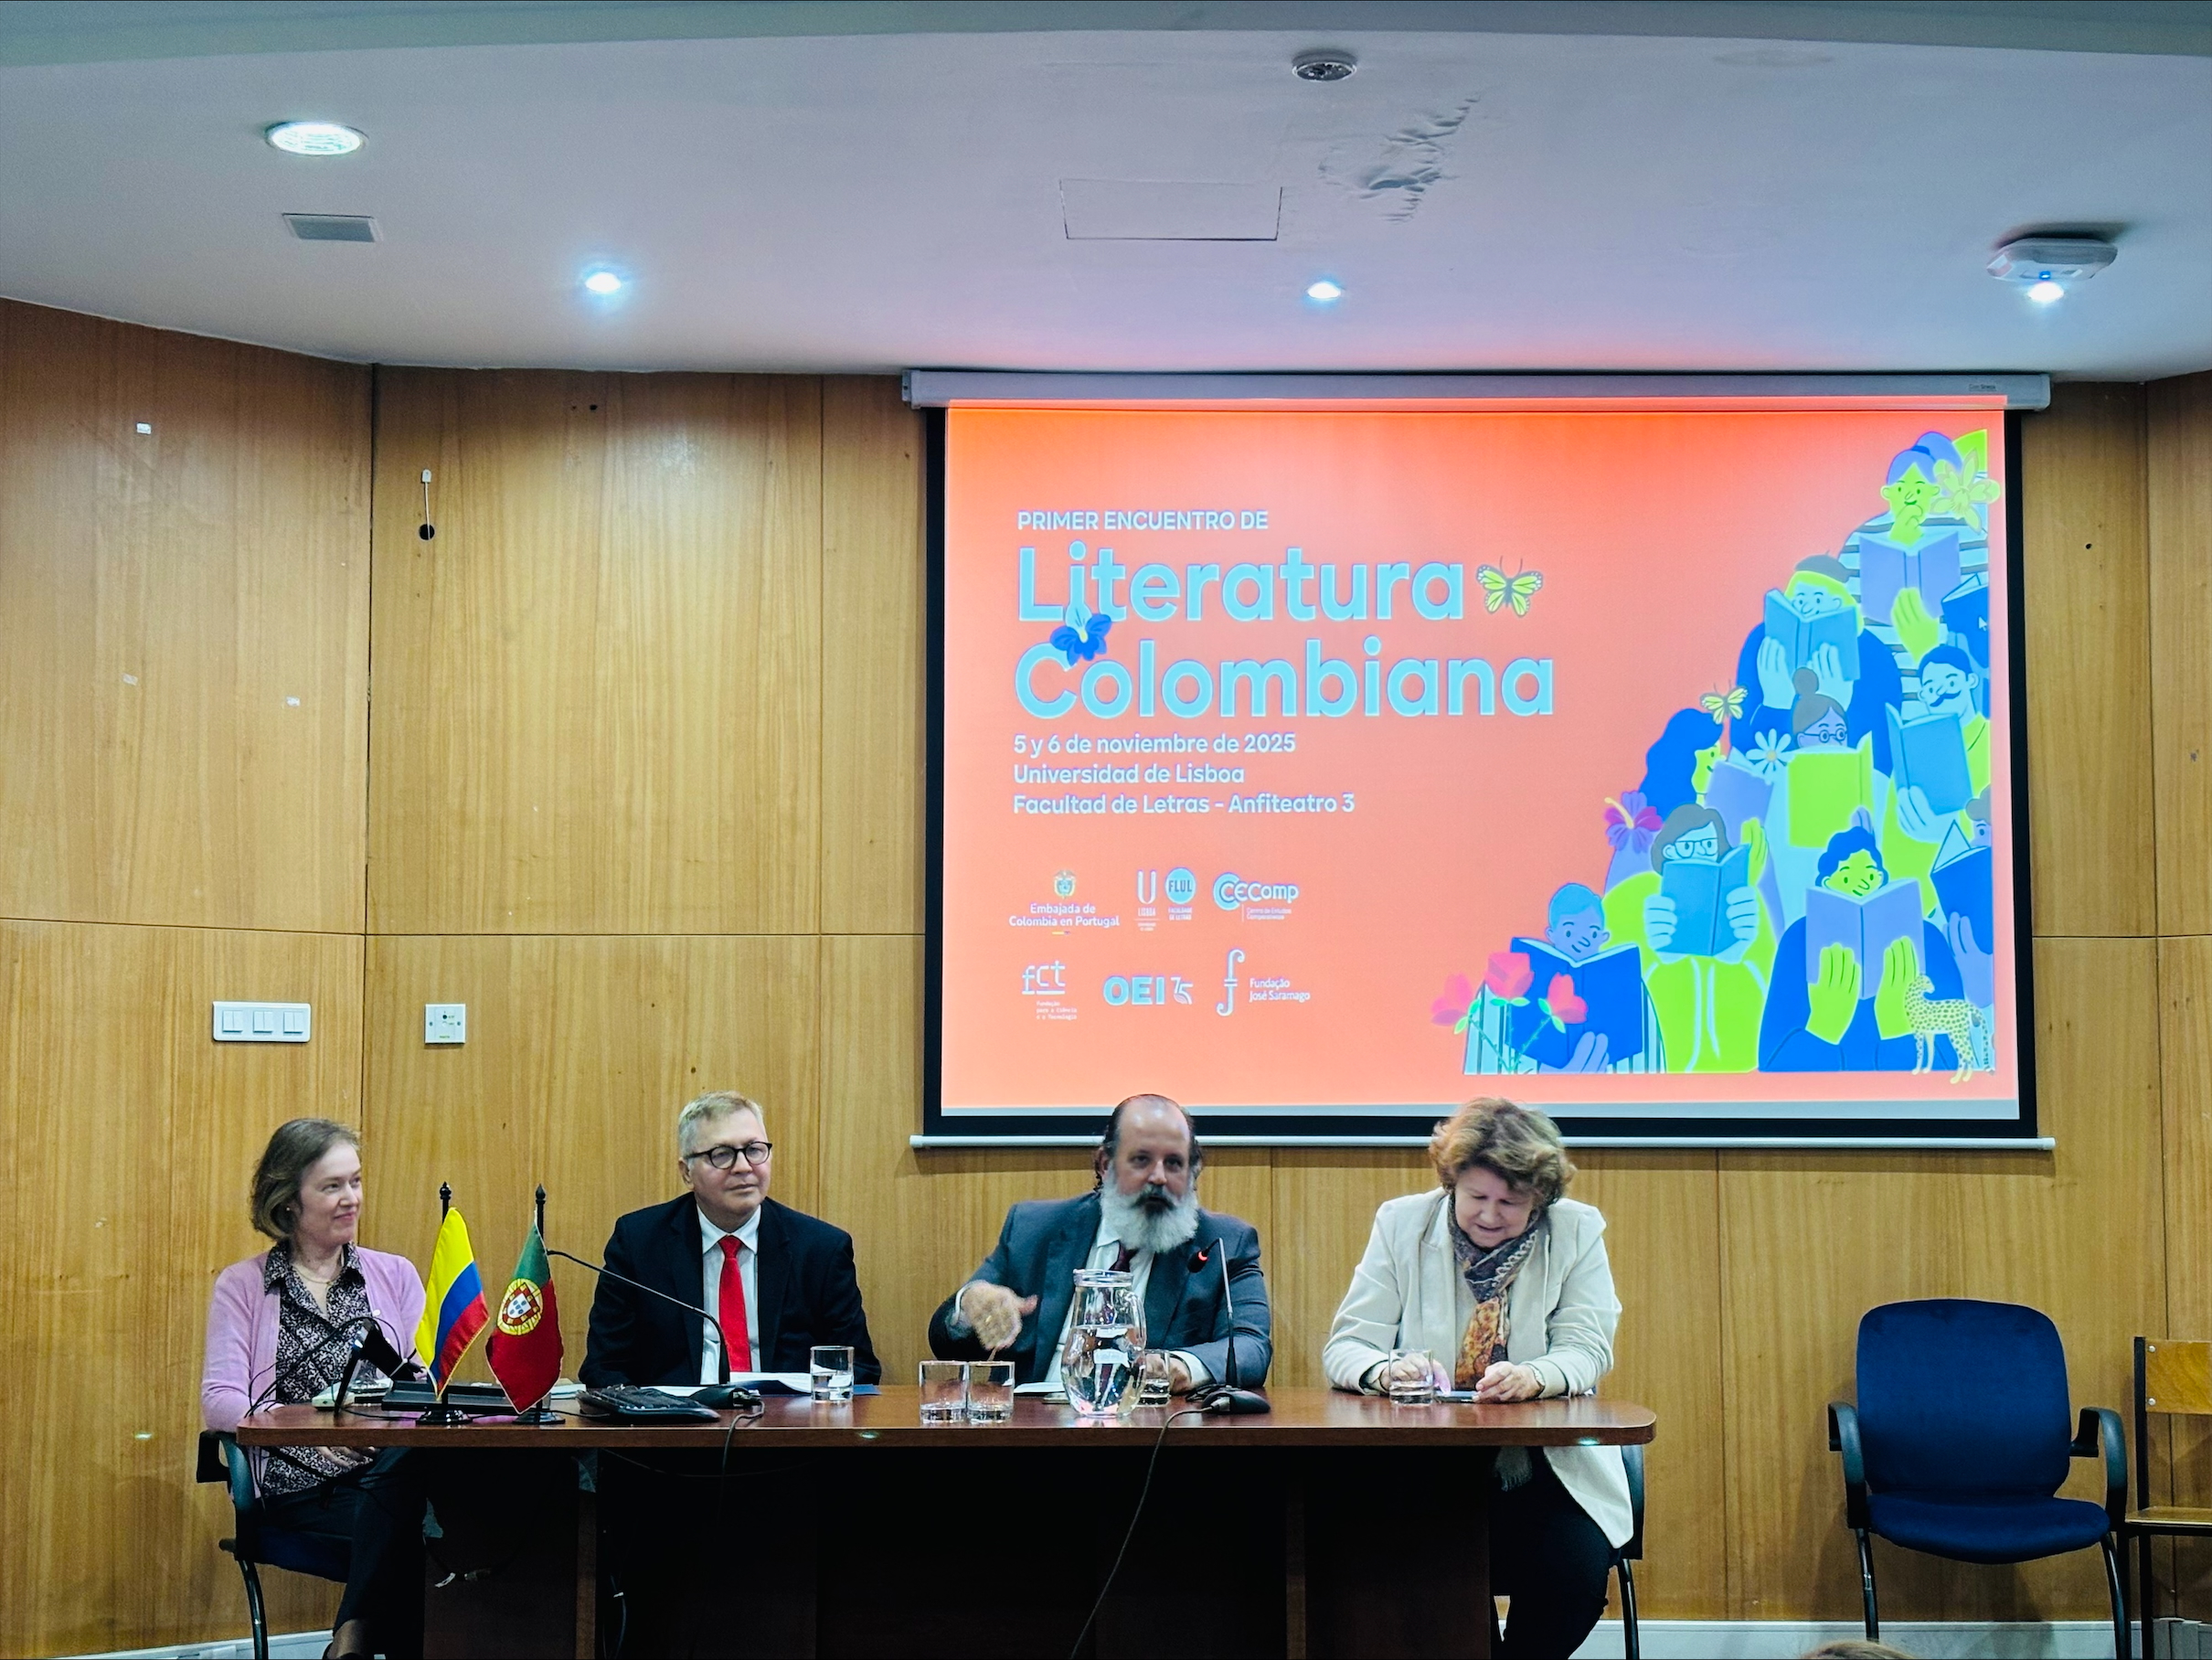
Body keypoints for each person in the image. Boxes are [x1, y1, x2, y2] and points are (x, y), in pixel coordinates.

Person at [1323, 1099, 1630, 1660]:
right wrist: (1386, 1370)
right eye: (1476, 1198)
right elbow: (1347, 1346)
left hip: (1544, 1467)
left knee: (1577, 1579)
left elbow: (1588, 1349)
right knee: (1425, 1578)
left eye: (1511, 1202)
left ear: (1541, 1198)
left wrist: (1536, 1377)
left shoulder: (1577, 1231)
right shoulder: (1401, 1223)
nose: (1490, 1215)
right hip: (1425, 1464)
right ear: (1452, 1184)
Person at [202, 1120, 429, 1660]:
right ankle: (357, 1639)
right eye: (332, 1187)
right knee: (424, 1542)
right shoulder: (244, 1285)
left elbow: (423, 1386)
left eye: (355, 1181)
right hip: (301, 1486)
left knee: (415, 1494)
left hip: (389, 1470)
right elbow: (218, 1399)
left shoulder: (394, 1274)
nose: (351, 1199)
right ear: (288, 1201)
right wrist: (302, 1431)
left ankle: (350, 1640)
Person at [929, 1093, 1271, 1392]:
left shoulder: (1224, 1243)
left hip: (1155, 1442)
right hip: (1036, 1434)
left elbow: (1251, 1347)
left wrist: (1181, 1366)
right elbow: (947, 1344)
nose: (1159, 1177)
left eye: (1174, 1163)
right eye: (1141, 1159)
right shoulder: (1034, 1230)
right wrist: (970, 1304)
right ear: (1106, 1165)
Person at [581, 1090, 880, 1386]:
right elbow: (604, 1367)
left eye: (754, 1150)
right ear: (687, 1173)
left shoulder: (821, 1250)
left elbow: (859, 1369)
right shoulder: (638, 1244)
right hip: (676, 1426)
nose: (743, 1167)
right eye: (721, 1154)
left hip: (787, 1426)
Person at [1759, 826, 1965, 1072]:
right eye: (1845, 877)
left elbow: (1951, 1065)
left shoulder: (1927, 939)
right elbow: (1773, 1064)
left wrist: (1898, 1025)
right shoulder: (1798, 940)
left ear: (1882, 881)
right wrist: (1824, 1026)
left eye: (1870, 876)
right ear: (1826, 884)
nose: (1859, 886)